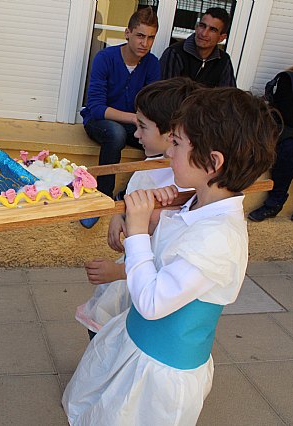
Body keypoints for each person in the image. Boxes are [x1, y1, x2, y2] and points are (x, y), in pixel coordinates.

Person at [62, 87, 278, 425]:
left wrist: (136, 232)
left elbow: (150, 301)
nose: (170, 152)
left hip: (159, 373)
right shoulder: (197, 202)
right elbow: (172, 242)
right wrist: (155, 215)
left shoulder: (220, 237)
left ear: (212, 162)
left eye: (176, 144)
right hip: (137, 346)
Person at [77, 77, 200, 340]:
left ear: (171, 134)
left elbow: (164, 256)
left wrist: (117, 272)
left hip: (142, 279)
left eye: (142, 127)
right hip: (131, 265)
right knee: (101, 327)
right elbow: (132, 198)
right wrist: (119, 215)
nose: (135, 135)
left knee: (115, 332)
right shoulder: (152, 165)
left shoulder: (184, 183)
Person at [80, 7, 160, 228]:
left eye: (150, 37)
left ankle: (128, 194)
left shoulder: (152, 64)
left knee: (161, 142)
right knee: (115, 134)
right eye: (140, 35)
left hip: (133, 124)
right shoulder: (105, 58)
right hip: (101, 123)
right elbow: (96, 107)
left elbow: (153, 105)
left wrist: (143, 122)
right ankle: (101, 198)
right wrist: (135, 118)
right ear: (127, 33)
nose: (145, 43)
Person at [248, 44, 293, 224]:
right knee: (290, 149)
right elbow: (285, 114)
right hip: (292, 136)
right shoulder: (288, 79)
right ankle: (274, 203)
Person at [160, 7, 236, 88]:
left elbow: (229, 97)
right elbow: (166, 95)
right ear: (196, 27)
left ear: (221, 38)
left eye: (212, 30)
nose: (204, 33)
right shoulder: (174, 53)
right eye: (202, 26)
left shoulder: (224, 60)